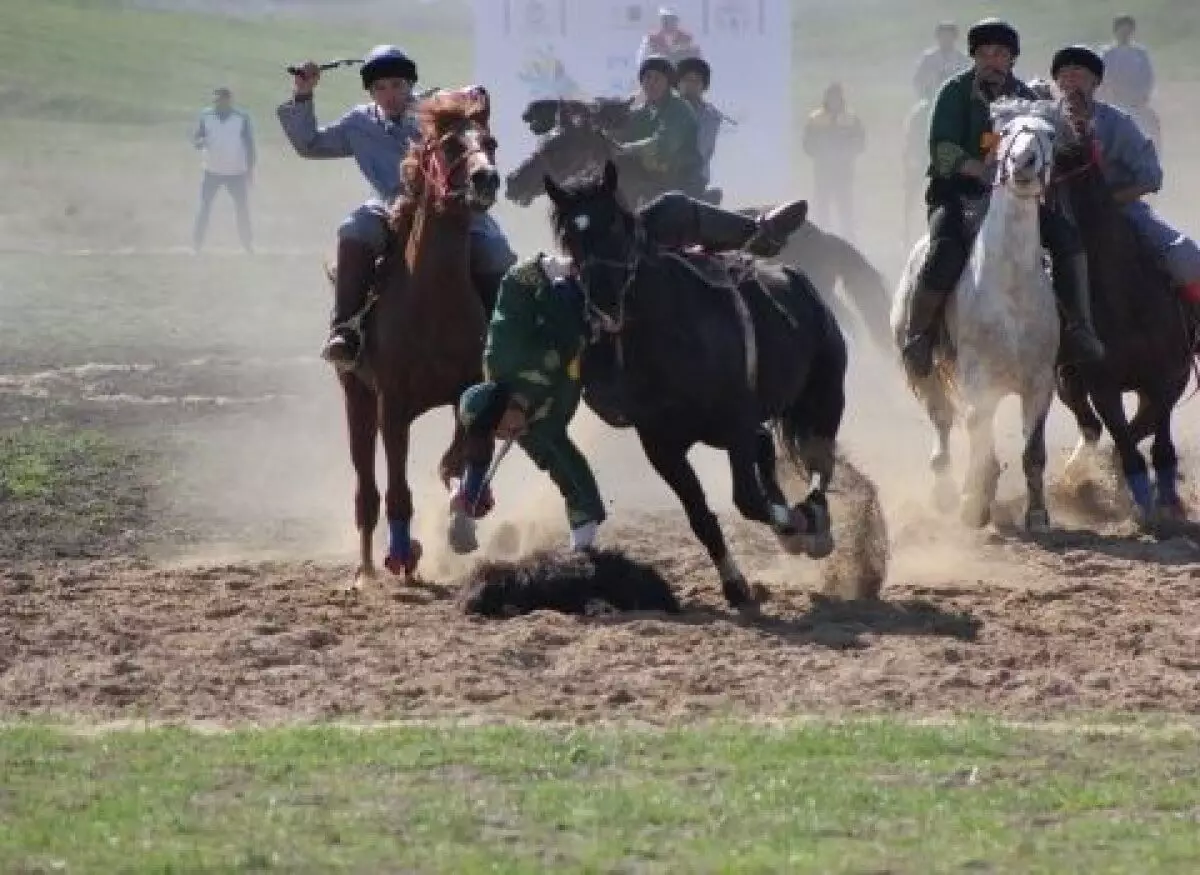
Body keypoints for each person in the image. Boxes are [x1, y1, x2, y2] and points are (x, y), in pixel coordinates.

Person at [453, 187, 812, 550]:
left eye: (504, 430)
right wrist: (583, 541)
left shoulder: (504, 355)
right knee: (619, 399)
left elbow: (513, 286)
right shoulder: (535, 429)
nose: (513, 435)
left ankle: (757, 232)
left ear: (500, 407)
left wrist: (550, 269)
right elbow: (568, 472)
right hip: (596, 345)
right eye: (505, 437)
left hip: (580, 286)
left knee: (671, 207)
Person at [277, 46, 517, 368]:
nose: (390, 94)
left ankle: (501, 338)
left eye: (397, 85)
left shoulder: (436, 112)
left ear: (410, 84)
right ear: (371, 91)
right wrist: (303, 94)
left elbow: (472, 108)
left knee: (495, 251)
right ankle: (346, 328)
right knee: (354, 228)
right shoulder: (358, 124)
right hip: (390, 205)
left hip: (448, 204)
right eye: (380, 87)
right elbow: (309, 144)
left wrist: (472, 97)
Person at [900, 18, 1106, 379]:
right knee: (944, 249)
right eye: (984, 54)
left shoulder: (1027, 99)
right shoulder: (954, 93)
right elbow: (941, 149)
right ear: (974, 58)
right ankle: (920, 337)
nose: (992, 60)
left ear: (1011, 59)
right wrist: (979, 169)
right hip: (957, 196)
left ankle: (1078, 329)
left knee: (1068, 240)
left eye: (1000, 54)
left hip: (1014, 198)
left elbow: (1046, 144)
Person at [1051, 45, 1200, 304]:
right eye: (1063, 75)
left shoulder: (1118, 123)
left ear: (1095, 82)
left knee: (1185, 255)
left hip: (1119, 209)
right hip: (1054, 212)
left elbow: (1151, 176)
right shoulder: (1041, 122)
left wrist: (1108, 200)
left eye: (1078, 73)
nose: (1070, 80)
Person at [615, 55, 704, 198]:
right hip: (651, 181)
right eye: (647, 77)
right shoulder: (641, 113)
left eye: (657, 78)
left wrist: (625, 149)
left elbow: (664, 145)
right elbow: (620, 135)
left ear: (668, 82)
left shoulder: (679, 109)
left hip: (681, 184)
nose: (651, 83)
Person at [191, 87, 255, 253]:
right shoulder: (206, 116)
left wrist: (250, 169)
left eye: (222, 100)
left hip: (236, 172)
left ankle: (247, 244)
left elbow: (249, 144)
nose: (218, 103)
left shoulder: (241, 118)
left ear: (229, 101)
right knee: (204, 207)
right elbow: (197, 136)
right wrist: (198, 142)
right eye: (216, 100)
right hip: (212, 170)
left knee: (242, 208)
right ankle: (197, 245)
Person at [802, 82, 866, 240]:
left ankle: (849, 239)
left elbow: (860, 143)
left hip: (844, 172)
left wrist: (846, 153)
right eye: (831, 97)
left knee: (845, 207)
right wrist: (820, 154)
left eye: (836, 97)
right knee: (822, 206)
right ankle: (821, 238)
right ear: (826, 98)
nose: (834, 100)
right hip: (822, 171)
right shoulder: (816, 118)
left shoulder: (851, 118)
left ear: (841, 98)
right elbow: (807, 143)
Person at [675, 56, 725, 192]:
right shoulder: (667, 109)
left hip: (694, 180)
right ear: (678, 83)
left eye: (696, 81)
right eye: (686, 80)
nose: (690, 85)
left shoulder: (710, 115)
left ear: (703, 86)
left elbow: (702, 149)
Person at [1098, 15, 1155, 114]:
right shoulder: (1107, 53)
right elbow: (1100, 76)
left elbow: (1148, 76)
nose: (1125, 34)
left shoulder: (1140, 53)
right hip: (1112, 97)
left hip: (1135, 98)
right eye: (1122, 31)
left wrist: (1144, 94)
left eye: (1128, 31)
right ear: (1115, 31)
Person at [913, 22, 971, 101]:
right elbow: (918, 79)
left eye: (949, 36)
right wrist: (924, 95)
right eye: (943, 36)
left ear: (955, 37)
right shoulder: (928, 58)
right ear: (938, 37)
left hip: (957, 100)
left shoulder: (962, 59)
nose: (946, 39)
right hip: (931, 99)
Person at [636, 6, 702, 68]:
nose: (668, 23)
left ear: (676, 21)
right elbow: (642, 61)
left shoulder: (686, 39)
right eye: (665, 20)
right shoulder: (651, 39)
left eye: (671, 20)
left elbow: (698, 61)